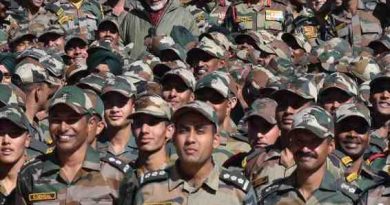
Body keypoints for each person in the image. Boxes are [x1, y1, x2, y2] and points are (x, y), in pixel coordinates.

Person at [14, 86, 128, 204]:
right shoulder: (30, 174)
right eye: (56, 119)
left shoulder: (116, 174)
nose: (63, 127)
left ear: (90, 124)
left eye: (72, 119)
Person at [131, 100, 257, 205]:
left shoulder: (237, 192)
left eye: (200, 131)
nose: (190, 139)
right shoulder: (148, 188)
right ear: (173, 138)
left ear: (215, 140)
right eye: (184, 130)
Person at [259, 106, 357, 204]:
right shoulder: (270, 197)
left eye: (314, 141)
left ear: (330, 146)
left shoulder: (350, 199)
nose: (305, 149)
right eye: (299, 141)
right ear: (291, 144)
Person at [244, 77, 317, 195]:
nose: (288, 110)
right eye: (282, 104)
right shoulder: (256, 161)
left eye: (296, 104)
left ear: (313, 109)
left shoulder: (328, 161)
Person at [121, 0, 199, 60]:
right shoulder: (132, 16)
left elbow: (195, 50)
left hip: (171, 77)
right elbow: (119, 44)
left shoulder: (184, 16)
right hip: (137, 76)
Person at [331, 102, 382, 191]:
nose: (352, 134)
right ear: (334, 132)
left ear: (369, 137)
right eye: (345, 128)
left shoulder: (379, 181)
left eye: (360, 129)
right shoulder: (321, 172)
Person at [97, 76, 138, 163]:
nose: (115, 109)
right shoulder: (93, 145)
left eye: (121, 102)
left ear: (133, 106)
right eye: (109, 103)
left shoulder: (144, 143)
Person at [0, 106, 32, 205]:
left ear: (27, 140)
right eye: (0, 133)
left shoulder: (41, 181)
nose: (6, 141)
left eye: (14, 133)